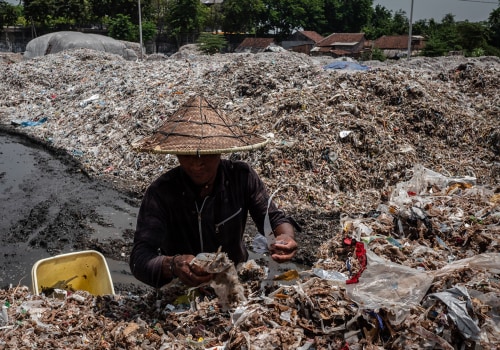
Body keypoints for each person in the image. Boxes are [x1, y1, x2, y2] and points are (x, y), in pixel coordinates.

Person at [130, 95, 298, 288]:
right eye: (187, 154)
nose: (196, 163)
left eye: (205, 154)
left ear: (220, 150)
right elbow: (140, 257)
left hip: (234, 281)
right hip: (182, 286)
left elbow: (273, 218)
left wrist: (285, 238)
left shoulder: (241, 177)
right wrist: (173, 264)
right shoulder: (161, 193)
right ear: (175, 153)